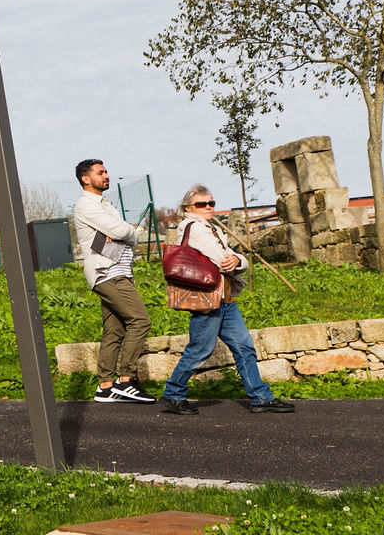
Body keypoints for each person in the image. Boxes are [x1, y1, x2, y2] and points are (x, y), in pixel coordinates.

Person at [161, 186, 296, 416]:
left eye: (211, 203)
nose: (208, 207)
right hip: (207, 299)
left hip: (225, 297)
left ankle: (260, 398)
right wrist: (235, 259)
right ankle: (173, 393)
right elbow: (223, 258)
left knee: (244, 347)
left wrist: (237, 259)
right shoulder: (195, 228)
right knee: (200, 350)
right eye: (202, 204)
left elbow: (234, 257)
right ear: (188, 208)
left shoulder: (210, 227)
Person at [70, 159, 155, 404]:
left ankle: (105, 387)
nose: (106, 175)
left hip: (118, 270)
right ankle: (125, 381)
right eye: (100, 172)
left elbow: (119, 231)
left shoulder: (104, 204)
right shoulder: (87, 205)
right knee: (140, 320)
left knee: (114, 330)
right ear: (86, 178)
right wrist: (130, 231)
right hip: (108, 273)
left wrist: (124, 231)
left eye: (106, 171)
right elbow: (121, 232)